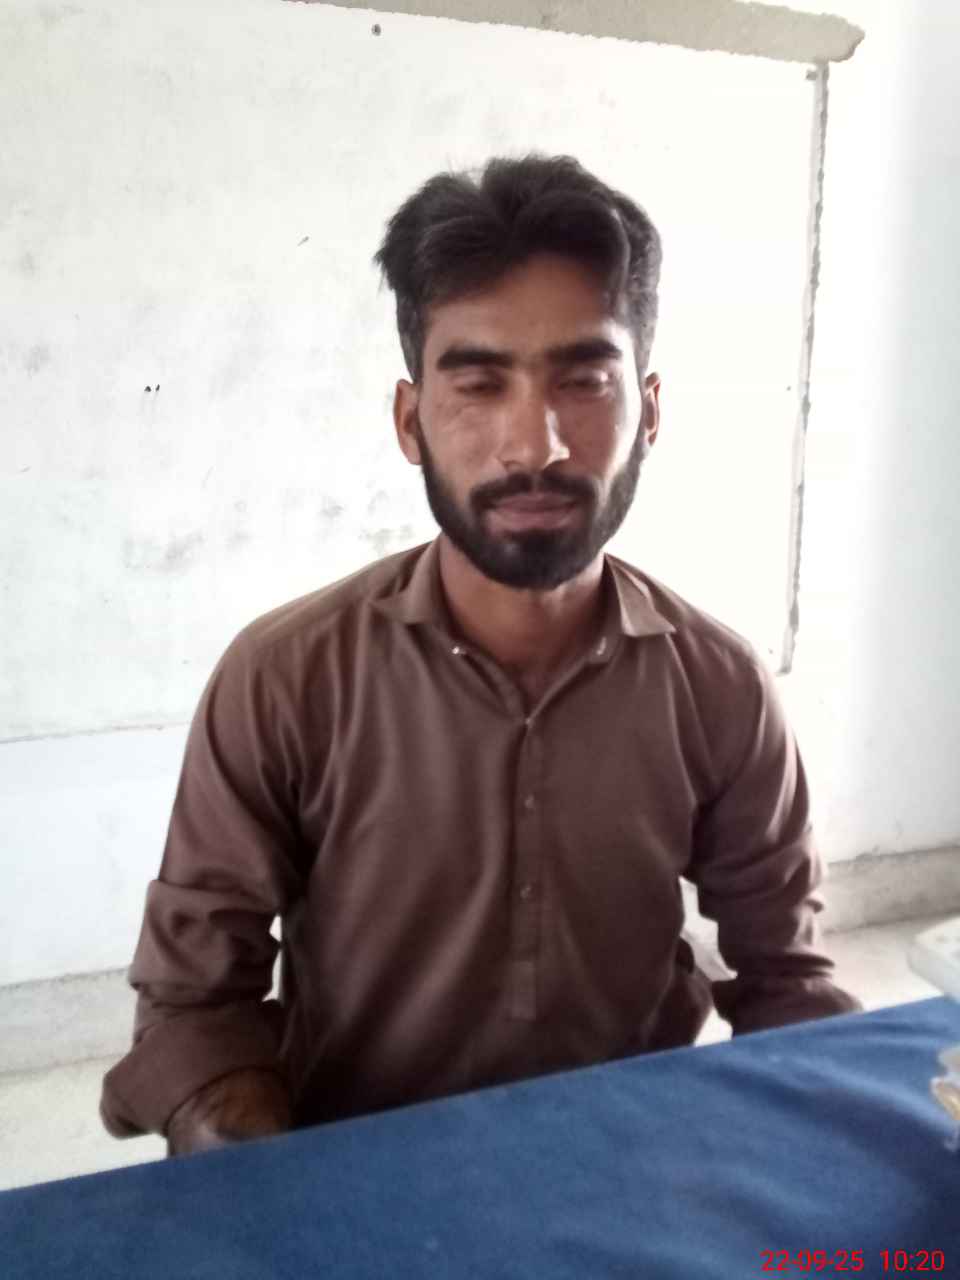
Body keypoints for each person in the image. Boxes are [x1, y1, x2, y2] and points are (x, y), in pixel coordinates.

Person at [101, 154, 860, 1157]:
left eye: (583, 380)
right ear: (410, 421)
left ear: (651, 411)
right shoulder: (286, 679)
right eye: (478, 384)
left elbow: (787, 979)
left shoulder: (720, 686)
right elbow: (196, 1006)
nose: (534, 445)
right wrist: (268, 1184)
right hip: (360, 1172)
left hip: (631, 1165)